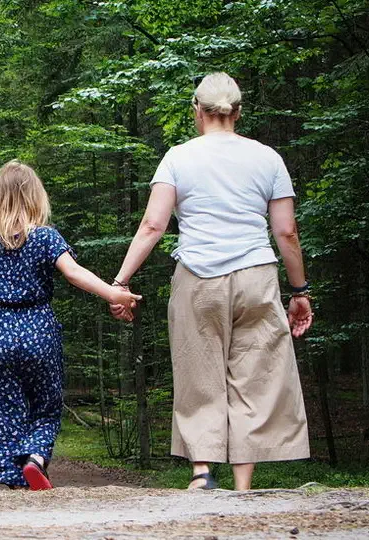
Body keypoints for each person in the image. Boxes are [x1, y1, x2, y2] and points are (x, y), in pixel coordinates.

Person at [109, 72, 313, 490]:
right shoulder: (268, 158)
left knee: (197, 373)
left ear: (196, 111)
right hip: (257, 276)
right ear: (237, 111)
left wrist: (121, 282)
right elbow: (287, 232)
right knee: (255, 376)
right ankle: (242, 484)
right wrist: (299, 292)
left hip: (199, 277)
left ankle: (202, 473)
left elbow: (153, 225)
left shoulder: (178, 157)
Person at [0, 160, 140, 490]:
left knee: (5, 407)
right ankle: (36, 459)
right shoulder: (45, 238)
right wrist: (113, 293)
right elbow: (74, 273)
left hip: (0, 330)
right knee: (46, 404)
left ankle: (15, 478)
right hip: (39, 327)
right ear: (35, 197)